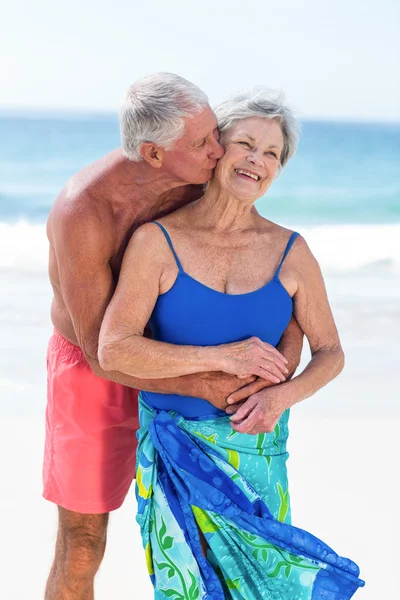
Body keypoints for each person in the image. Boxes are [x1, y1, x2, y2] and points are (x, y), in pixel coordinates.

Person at [43, 74, 303, 599]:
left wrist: (282, 368)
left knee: (205, 540)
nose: (220, 149)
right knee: (84, 540)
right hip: (95, 370)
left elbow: (272, 273)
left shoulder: (202, 175)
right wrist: (208, 382)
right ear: (153, 153)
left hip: (184, 357)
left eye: (216, 133)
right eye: (205, 142)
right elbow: (105, 356)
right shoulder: (85, 212)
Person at [99, 88, 365, 598]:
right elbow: (115, 348)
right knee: (186, 588)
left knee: (266, 587)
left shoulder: (291, 250)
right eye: (246, 143)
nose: (257, 161)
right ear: (217, 147)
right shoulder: (157, 240)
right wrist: (224, 356)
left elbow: (331, 352)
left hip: (256, 451)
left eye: (271, 154)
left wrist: (281, 396)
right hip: (174, 448)